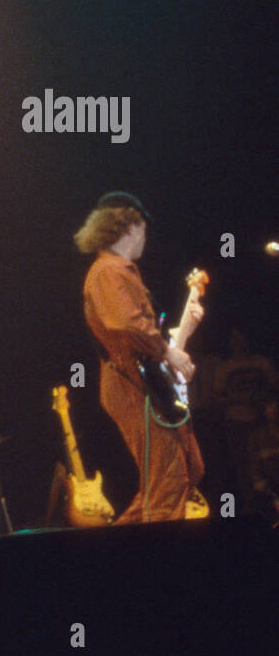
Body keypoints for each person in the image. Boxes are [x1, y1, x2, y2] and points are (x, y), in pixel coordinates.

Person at [75, 192, 204, 522]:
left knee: (187, 468)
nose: (145, 238)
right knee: (169, 480)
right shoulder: (109, 271)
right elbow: (126, 323)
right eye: (144, 229)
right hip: (129, 383)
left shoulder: (120, 271)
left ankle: (123, 550)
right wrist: (168, 352)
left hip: (140, 380)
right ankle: (142, 560)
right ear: (130, 226)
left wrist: (174, 341)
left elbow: (138, 328)